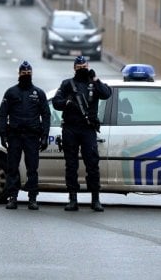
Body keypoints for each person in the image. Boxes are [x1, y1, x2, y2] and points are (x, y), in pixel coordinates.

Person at [52, 56, 112, 212]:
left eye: (84, 66)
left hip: (88, 129)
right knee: (71, 165)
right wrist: (67, 102)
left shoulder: (94, 83)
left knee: (92, 164)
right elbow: (56, 102)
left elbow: (106, 94)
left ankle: (95, 199)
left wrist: (96, 79)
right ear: (74, 68)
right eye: (79, 67)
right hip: (71, 129)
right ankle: (73, 199)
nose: (82, 69)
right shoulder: (67, 84)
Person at [0, 60, 51, 210]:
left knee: (32, 169)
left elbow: (46, 115)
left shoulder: (38, 93)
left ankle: (32, 198)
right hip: (14, 136)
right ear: (19, 74)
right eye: (23, 73)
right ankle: (12, 197)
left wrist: (45, 136)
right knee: (12, 168)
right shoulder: (11, 92)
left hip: (32, 136)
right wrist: (2, 134)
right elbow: (2, 114)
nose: (26, 75)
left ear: (32, 74)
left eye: (28, 73)